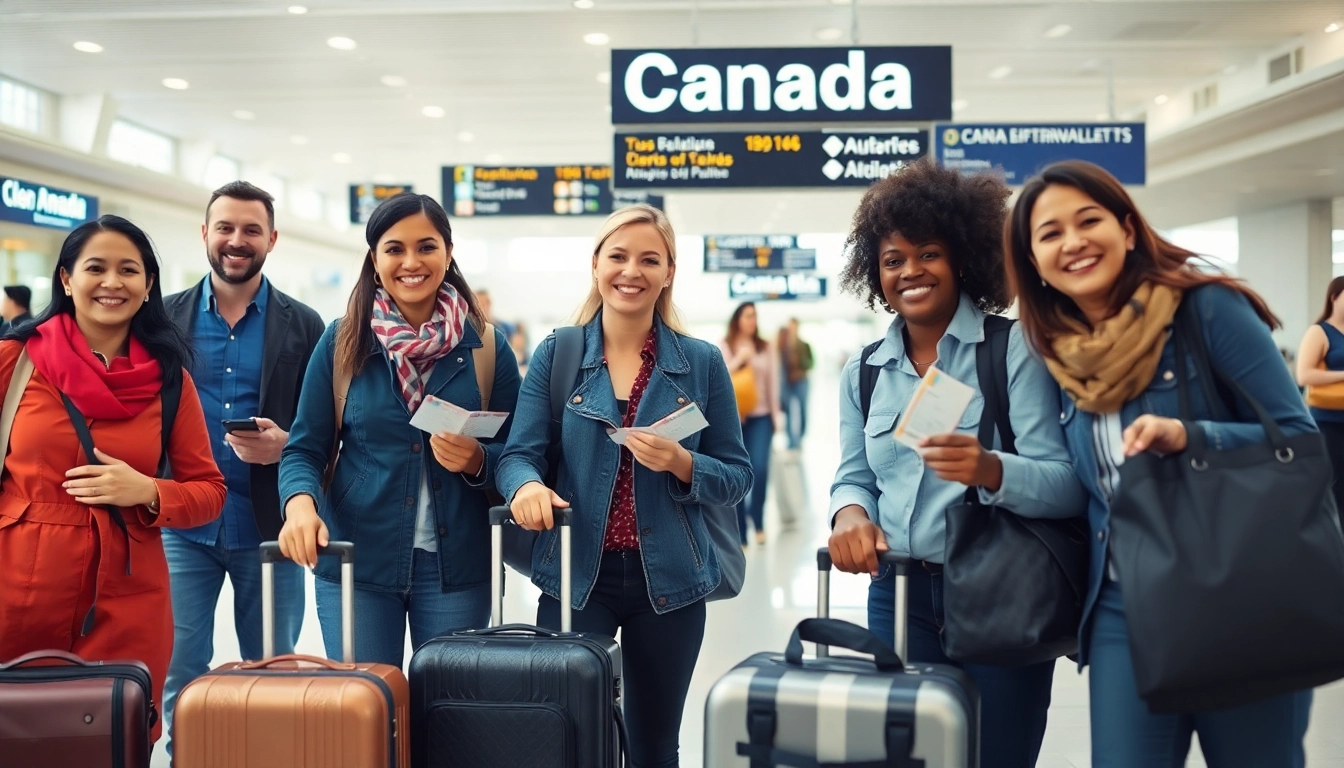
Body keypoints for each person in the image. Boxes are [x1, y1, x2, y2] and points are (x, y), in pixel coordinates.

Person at [1004, 160, 1314, 767]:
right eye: (1049, 233)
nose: (1073, 242)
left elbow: (1300, 441)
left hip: (1240, 596)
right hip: (1124, 608)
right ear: (1033, 262)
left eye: (1088, 220)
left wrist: (1191, 436)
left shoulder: (1205, 310)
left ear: (1126, 227)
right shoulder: (1061, 354)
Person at [826, 158, 1083, 768]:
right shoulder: (863, 370)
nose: (910, 271)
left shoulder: (1013, 349)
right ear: (875, 274)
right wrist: (849, 515)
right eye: (893, 260)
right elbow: (853, 475)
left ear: (963, 258)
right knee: (904, 757)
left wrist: (990, 470)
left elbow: (1067, 485)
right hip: (898, 594)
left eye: (928, 254)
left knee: (998, 754)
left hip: (998, 587)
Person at [497, 204, 751, 768]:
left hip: (673, 582)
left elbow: (737, 475)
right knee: (570, 737)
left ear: (668, 272)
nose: (631, 271)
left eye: (648, 259)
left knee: (653, 745)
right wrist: (525, 489)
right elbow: (517, 455)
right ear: (596, 265)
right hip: (575, 575)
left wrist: (685, 464)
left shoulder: (703, 364)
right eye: (618, 256)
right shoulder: (558, 354)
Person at [0, 215, 226, 743]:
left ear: (148, 286)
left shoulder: (171, 380)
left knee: (114, 735)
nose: (112, 282)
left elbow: (209, 491)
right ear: (65, 279)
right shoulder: (15, 361)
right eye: (95, 267)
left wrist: (148, 491)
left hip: (125, 594)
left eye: (130, 270)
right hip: (17, 585)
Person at [276, 193, 520, 667]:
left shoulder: (486, 347)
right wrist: (300, 506)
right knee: (365, 716)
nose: (411, 262)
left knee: (451, 717)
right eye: (394, 249)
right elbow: (304, 448)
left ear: (448, 254)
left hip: (459, 568)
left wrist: (477, 460)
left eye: (426, 247)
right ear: (375, 259)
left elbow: (519, 454)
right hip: (357, 562)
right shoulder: (343, 340)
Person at [159, 181, 325, 752]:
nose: (237, 240)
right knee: (180, 667)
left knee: (273, 667)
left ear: (272, 239)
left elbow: (324, 425)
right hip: (182, 524)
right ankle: (187, 757)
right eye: (225, 227)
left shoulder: (305, 325)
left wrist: (289, 444)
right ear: (205, 234)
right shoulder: (163, 319)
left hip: (270, 524)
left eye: (251, 229)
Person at [720, 302, 781, 545]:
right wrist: (739, 359)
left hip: (762, 417)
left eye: (754, 316)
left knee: (760, 468)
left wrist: (777, 417)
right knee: (736, 472)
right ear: (737, 319)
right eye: (747, 316)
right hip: (734, 419)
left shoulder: (765, 347)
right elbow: (720, 378)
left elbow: (773, 382)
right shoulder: (724, 345)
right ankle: (740, 529)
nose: (752, 320)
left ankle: (759, 519)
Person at [1297, 276, 1344, 514]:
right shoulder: (1320, 332)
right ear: (1334, 297)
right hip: (1330, 422)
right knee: (1334, 486)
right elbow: (1304, 376)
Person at [777, 318, 813, 450]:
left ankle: (801, 436)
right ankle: (791, 441)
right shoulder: (782, 345)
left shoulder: (804, 345)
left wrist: (800, 364)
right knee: (788, 411)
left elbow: (811, 363)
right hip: (787, 382)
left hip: (801, 381)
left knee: (803, 409)